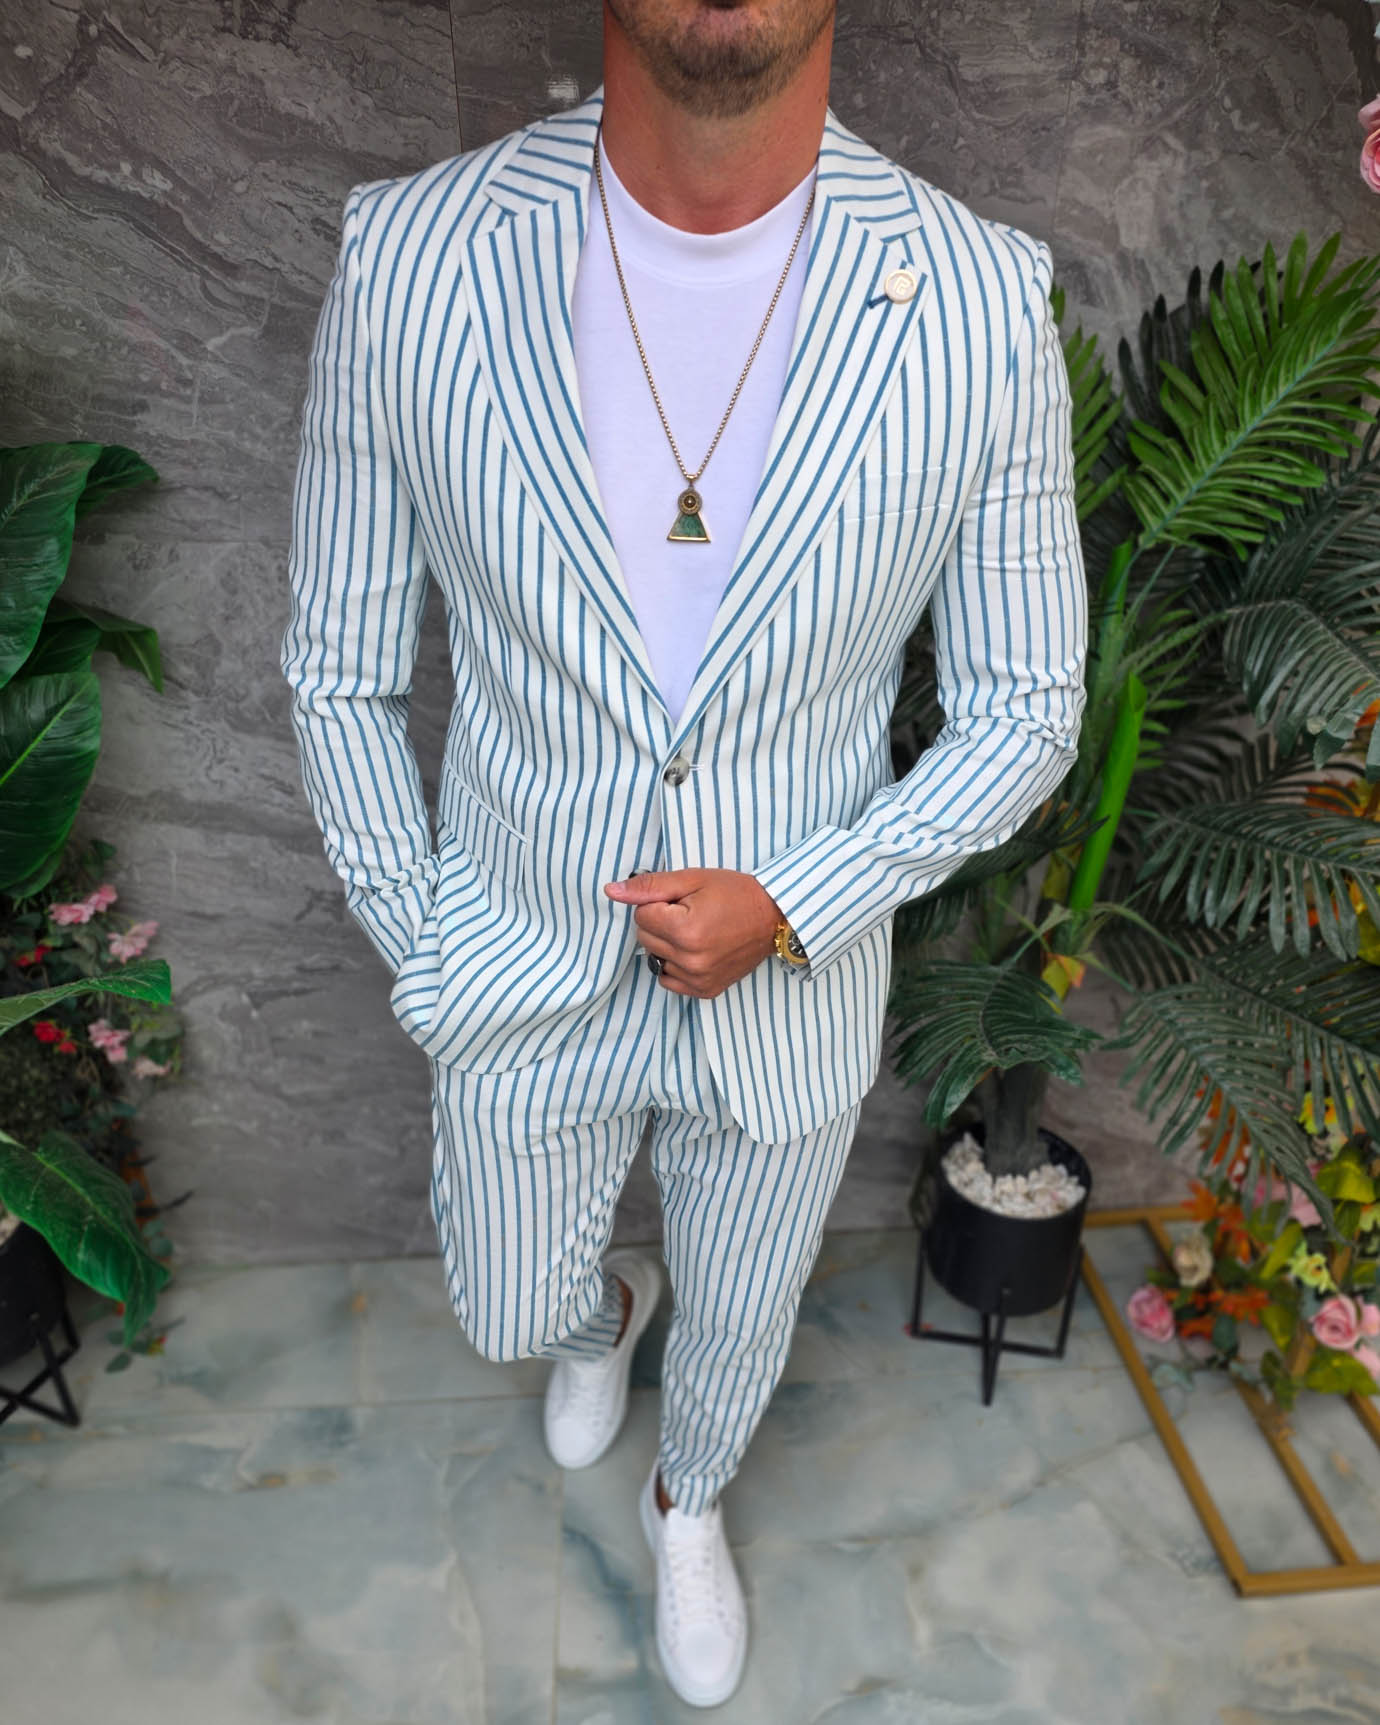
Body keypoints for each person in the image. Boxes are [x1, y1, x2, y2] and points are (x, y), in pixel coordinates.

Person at [281, 0, 1087, 1707]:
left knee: (742, 1319)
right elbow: (340, 669)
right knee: (510, 1305)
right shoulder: (410, 259)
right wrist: (429, 944)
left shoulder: (978, 300)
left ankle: (687, 1498)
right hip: (513, 957)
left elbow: (1024, 707)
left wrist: (798, 900)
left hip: (791, 988)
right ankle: (596, 1320)